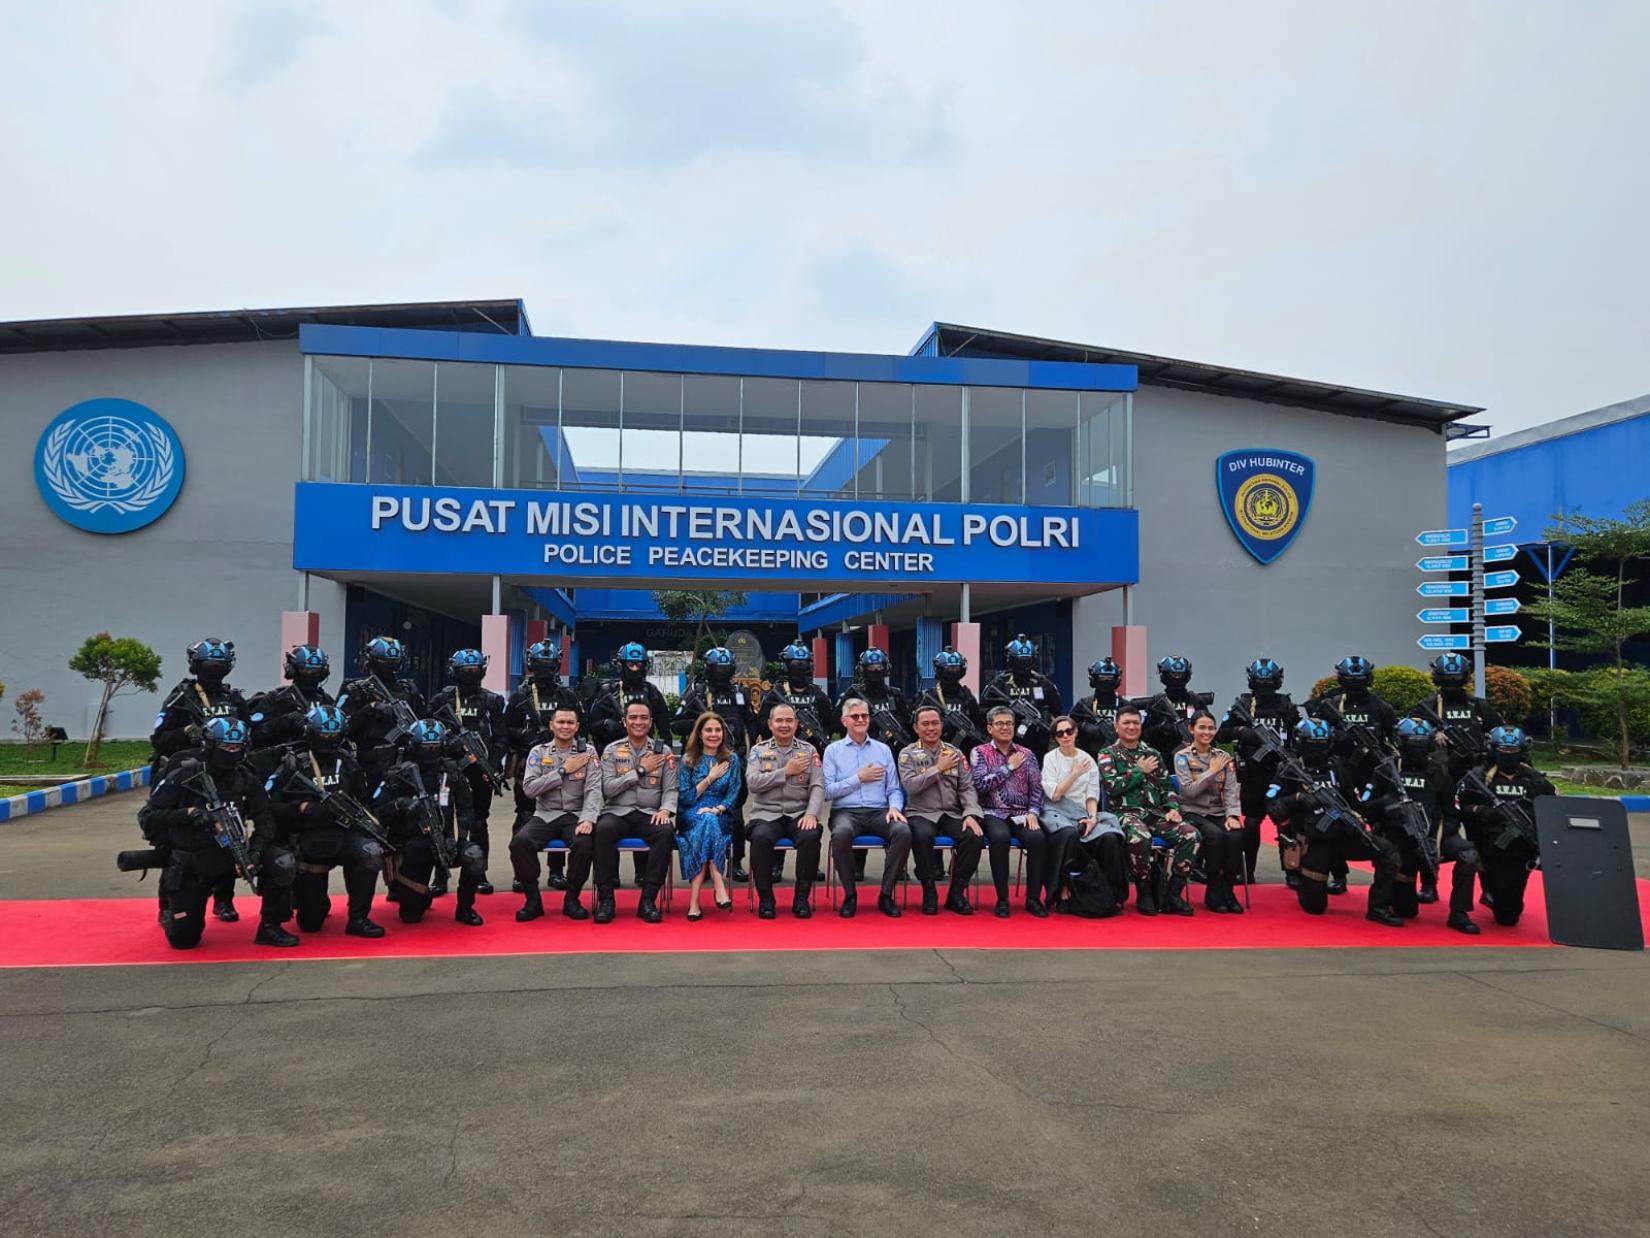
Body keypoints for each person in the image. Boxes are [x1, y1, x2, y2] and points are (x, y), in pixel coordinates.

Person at [137, 716, 298, 949]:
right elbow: (148, 816)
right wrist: (189, 814)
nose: (231, 752)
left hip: (230, 854)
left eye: (237, 747)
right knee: (184, 940)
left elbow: (265, 819)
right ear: (210, 745)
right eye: (225, 747)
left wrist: (255, 852)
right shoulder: (184, 774)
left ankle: (270, 927)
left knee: (282, 861)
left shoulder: (245, 777)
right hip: (193, 860)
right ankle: (170, 905)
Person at [264, 704, 387, 939]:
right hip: (309, 839)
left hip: (344, 833)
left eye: (334, 734)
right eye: (324, 734)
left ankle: (358, 918)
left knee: (371, 852)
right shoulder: (293, 764)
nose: (329, 739)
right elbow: (269, 805)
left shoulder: (349, 763)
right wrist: (303, 808)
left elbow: (363, 803)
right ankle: (308, 901)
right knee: (311, 923)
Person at [150, 636, 249, 923]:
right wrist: (187, 732)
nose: (214, 670)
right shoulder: (181, 698)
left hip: (227, 774)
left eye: (220, 665)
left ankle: (224, 899)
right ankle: (167, 903)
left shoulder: (233, 699)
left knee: (230, 832)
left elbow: (250, 734)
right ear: (196, 665)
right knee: (174, 842)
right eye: (209, 664)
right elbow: (159, 739)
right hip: (188, 775)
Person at [1266, 717, 1402, 926]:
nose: (1317, 750)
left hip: (1345, 835)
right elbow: (1272, 806)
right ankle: (1305, 877)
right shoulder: (1289, 770)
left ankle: (1378, 907)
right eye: (1312, 744)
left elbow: (1356, 803)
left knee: (1389, 852)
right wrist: (1298, 799)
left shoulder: (1337, 769)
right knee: (1315, 908)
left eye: (1321, 744)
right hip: (1314, 842)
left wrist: (1363, 815)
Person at [370, 719, 487, 927]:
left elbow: (466, 808)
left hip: (446, 841)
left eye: (435, 746)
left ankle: (465, 908)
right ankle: (416, 894)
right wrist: (399, 804)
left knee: (474, 856)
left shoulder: (450, 771)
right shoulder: (398, 774)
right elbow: (377, 812)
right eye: (426, 747)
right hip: (412, 847)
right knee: (410, 916)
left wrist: (459, 838)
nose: (431, 751)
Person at [1410, 653, 1504, 903]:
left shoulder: (1480, 707)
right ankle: (1429, 883)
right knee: (1430, 830)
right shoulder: (1427, 707)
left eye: (1456, 676)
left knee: (1482, 834)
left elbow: (1501, 738)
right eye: (1447, 676)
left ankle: (1488, 888)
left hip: (1474, 781)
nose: (1452, 681)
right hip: (1441, 780)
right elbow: (1409, 740)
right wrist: (1433, 738)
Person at [1096, 706, 1197, 916]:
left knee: (1190, 834)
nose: (1132, 727)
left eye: (1136, 723)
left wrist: (1173, 808)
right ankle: (1144, 889)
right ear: (1116, 727)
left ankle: (1173, 894)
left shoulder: (1153, 754)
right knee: (1140, 837)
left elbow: (1167, 788)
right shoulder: (1108, 754)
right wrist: (1138, 771)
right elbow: (1111, 787)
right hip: (1125, 814)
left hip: (1156, 813)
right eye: (1126, 723)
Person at [1311, 655, 1399, 895]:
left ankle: (1383, 870)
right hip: (1340, 772)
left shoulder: (1381, 707)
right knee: (1337, 820)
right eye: (1349, 679)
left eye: (1359, 679)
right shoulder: (1332, 704)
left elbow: (1396, 737)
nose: (1354, 684)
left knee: (1380, 822)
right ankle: (1339, 875)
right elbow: (1314, 731)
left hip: (1373, 773)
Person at [587, 642, 672, 888]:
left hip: (649, 759)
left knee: (649, 813)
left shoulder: (652, 692)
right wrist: (607, 726)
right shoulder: (607, 691)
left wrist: (664, 756)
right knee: (609, 819)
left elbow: (664, 729)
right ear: (621, 665)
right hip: (613, 762)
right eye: (630, 664)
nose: (634, 668)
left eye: (639, 664)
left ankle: (643, 874)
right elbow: (589, 725)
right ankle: (610, 876)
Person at [508, 705, 603, 922]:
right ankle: (533, 900)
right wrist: (562, 770)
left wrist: (588, 819)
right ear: (551, 725)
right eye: (561, 722)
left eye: (570, 723)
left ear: (577, 726)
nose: (565, 727)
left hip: (575, 815)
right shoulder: (538, 752)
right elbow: (530, 790)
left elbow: (594, 790)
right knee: (519, 843)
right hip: (545, 815)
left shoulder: (588, 753)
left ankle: (572, 899)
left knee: (584, 844)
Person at [502, 638, 582, 892]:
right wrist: (524, 736)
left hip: (564, 763)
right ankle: (521, 872)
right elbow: (505, 730)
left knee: (561, 813)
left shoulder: (566, 695)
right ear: (531, 664)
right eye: (540, 663)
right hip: (531, 762)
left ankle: (556, 872)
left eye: (550, 664)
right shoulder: (520, 696)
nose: (545, 669)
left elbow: (581, 725)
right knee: (525, 815)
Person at [1387, 718, 1481, 934]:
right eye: (1412, 742)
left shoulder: (1439, 772)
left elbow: (1450, 813)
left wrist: (1435, 839)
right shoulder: (1388, 770)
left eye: (1422, 743)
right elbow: (1369, 805)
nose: (1417, 748)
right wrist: (1391, 811)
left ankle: (1459, 913)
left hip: (1432, 835)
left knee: (1468, 854)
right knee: (1405, 911)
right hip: (1400, 839)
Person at [672, 647, 758, 881]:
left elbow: (752, 723)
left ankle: (736, 862)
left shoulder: (741, 693)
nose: (722, 673)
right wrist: (700, 723)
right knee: (699, 811)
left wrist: (743, 752)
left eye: (725, 668)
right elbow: (676, 724)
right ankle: (702, 860)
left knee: (735, 813)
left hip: (733, 760)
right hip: (701, 761)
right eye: (717, 668)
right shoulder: (697, 693)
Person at [1457, 726, 1554, 928]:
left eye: (1513, 751)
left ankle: (1502, 896)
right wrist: (1483, 812)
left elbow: (1552, 808)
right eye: (1503, 751)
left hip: (1523, 849)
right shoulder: (1479, 777)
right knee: (1492, 880)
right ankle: (1487, 886)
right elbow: (1461, 807)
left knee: (1508, 917)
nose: (1508, 755)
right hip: (1489, 845)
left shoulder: (1534, 779)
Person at [823, 696, 910, 919]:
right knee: (841, 834)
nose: (861, 719)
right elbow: (827, 791)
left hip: (880, 811)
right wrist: (858, 778)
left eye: (865, 716)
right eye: (855, 716)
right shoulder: (833, 751)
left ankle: (886, 894)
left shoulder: (883, 750)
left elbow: (894, 788)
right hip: (846, 812)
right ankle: (850, 895)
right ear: (844, 721)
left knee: (902, 831)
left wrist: (895, 808)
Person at [1216, 658, 1301, 885]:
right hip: (1252, 773)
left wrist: (1292, 759)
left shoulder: (1286, 706)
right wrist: (1242, 731)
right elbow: (1221, 734)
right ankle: (1247, 870)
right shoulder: (1243, 704)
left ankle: (1292, 871)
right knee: (1252, 824)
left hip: (1281, 771)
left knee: (1285, 822)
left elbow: (1298, 736)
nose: (1265, 685)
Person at [428, 648, 507, 895]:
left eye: (475, 670)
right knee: (441, 820)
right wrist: (446, 744)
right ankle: (441, 875)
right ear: (455, 671)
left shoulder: (492, 700)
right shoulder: (442, 699)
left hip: (478, 771)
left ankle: (478, 873)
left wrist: (493, 766)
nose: (471, 675)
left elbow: (501, 737)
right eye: (466, 671)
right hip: (446, 769)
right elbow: (427, 729)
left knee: (478, 822)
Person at [593, 700, 679, 924]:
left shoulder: (663, 751)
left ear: (651, 722)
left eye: (643, 718)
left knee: (665, 832)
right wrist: (640, 771)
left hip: (649, 812)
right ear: (624, 722)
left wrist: (665, 810)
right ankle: (606, 899)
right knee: (602, 830)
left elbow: (671, 790)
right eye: (633, 718)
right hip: (617, 811)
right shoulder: (612, 751)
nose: (638, 722)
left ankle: (648, 899)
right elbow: (607, 788)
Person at [897, 705, 986, 916]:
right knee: (921, 836)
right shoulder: (907, 753)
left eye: (935, 723)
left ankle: (956, 893)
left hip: (952, 813)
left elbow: (966, 788)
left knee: (973, 837)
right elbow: (910, 786)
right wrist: (938, 768)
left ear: (942, 726)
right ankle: (929, 891)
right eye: (925, 724)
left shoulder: (954, 752)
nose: (931, 728)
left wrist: (971, 814)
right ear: (916, 728)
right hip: (921, 812)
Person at [745, 703, 826, 919]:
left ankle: (801, 898)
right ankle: (766, 899)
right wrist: (785, 772)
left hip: (798, 813)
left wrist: (811, 814)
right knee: (760, 838)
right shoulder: (758, 751)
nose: (784, 725)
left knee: (810, 836)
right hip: (766, 814)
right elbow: (753, 783)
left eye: (789, 720)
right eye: (779, 721)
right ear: (770, 725)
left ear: (796, 724)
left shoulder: (808, 751)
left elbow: (817, 786)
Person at [970, 706, 1051, 918]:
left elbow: (1037, 788)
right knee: (999, 837)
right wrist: (1008, 768)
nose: (1005, 728)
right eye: (1000, 724)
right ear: (989, 728)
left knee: (1037, 839)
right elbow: (979, 785)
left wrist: (1034, 811)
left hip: (1022, 813)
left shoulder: (1027, 754)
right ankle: (1002, 898)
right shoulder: (979, 752)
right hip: (992, 812)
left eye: (1009, 723)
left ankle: (1033, 898)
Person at [1040, 714, 1116, 911]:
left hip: (1083, 812)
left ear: (1075, 732)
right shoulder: (1050, 758)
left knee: (1109, 836)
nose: (1065, 736)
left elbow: (1092, 795)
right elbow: (1054, 794)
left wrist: (1092, 818)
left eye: (1069, 731)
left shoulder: (1087, 759)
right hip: (1056, 811)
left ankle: (1106, 891)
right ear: (1055, 737)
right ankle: (1062, 890)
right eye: (1060, 733)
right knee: (1069, 834)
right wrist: (1074, 773)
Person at [1173, 711, 1246, 914]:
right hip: (1192, 811)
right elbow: (1188, 791)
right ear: (1192, 729)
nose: (1207, 732)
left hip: (1217, 811)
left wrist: (1232, 816)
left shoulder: (1223, 757)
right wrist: (1211, 771)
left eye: (1211, 728)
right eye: (1202, 727)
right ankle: (1213, 890)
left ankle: (1228, 889)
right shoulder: (1182, 757)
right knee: (1215, 837)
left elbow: (1232, 791)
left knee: (1235, 835)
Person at [676, 712, 743, 921]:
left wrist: (718, 809)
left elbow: (734, 792)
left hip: (721, 813)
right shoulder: (688, 760)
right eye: (708, 730)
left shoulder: (731, 759)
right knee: (706, 821)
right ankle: (718, 882)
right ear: (700, 733)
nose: (714, 734)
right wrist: (710, 778)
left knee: (709, 822)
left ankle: (694, 902)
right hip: (691, 812)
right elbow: (685, 797)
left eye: (717, 730)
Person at [337, 636, 427, 789]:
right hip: (369, 760)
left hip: (405, 759)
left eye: (394, 662)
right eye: (386, 663)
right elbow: (342, 727)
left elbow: (423, 722)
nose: (390, 667)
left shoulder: (408, 689)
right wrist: (369, 709)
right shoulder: (357, 689)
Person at [247, 645, 337, 770]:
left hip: (320, 763)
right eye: (306, 670)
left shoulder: (326, 700)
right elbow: (256, 735)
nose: (311, 675)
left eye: (316, 671)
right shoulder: (276, 698)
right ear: (294, 669)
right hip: (284, 764)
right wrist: (285, 721)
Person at [981, 633, 1062, 756]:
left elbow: (1057, 713)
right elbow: (983, 711)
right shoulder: (1000, 683)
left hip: (1037, 743)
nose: (1023, 665)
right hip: (1005, 744)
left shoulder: (1043, 683)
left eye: (1027, 660)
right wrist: (1006, 712)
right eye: (1019, 661)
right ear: (1011, 660)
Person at [758, 641, 836, 754]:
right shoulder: (776, 694)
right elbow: (762, 726)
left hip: (814, 753)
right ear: (786, 665)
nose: (800, 667)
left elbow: (830, 723)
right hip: (780, 752)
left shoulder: (818, 694)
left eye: (803, 664)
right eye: (796, 663)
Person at [1137, 655, 1214, 763]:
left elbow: (1210, 731)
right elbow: (1143, 734)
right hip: (1164, 759)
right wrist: (1161, 728)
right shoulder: (1157, 702)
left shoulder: (1195, 701)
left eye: (1180, 674)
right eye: (1173, 674)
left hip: (1196, 758)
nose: (1177, 678)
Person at [912, 646, 987, 756]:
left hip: (963, 753)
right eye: (948, 668)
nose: (952, 672)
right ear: (940, 670)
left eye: (956, 668)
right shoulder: (927, 696)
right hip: (931, 753)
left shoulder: (967, 697)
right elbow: (913, 727)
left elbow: (978, 722)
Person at [1071, 658, 1124, 758]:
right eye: (1102, 678)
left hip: (1120, 756)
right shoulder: (1084, 704)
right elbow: (1068, 729)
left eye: (1110, 678)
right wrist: (1083, 726)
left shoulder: (1124, 705)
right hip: (1089, 756)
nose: (1106, 681)